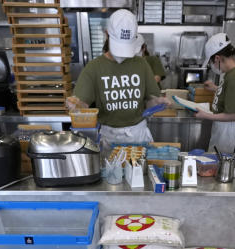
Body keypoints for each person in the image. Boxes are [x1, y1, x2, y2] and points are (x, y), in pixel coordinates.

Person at [66, 9, 171, 146]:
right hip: (109, 138)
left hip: (138, 136)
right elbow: (82, 105)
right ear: (107, 34)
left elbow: (149, 102)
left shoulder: (141, 64)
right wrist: (75, 105)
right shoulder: (94, 67)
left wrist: (157, 102)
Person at [195, 33, 235, 154]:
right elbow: (233, 93)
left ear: (217, 58)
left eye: (212, 63)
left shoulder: (234, 76)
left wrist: (206, 115)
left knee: (223, 167)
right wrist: (216, 88)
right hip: (225, 130)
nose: (213, 66)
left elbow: (233, 115)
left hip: (230, 133)